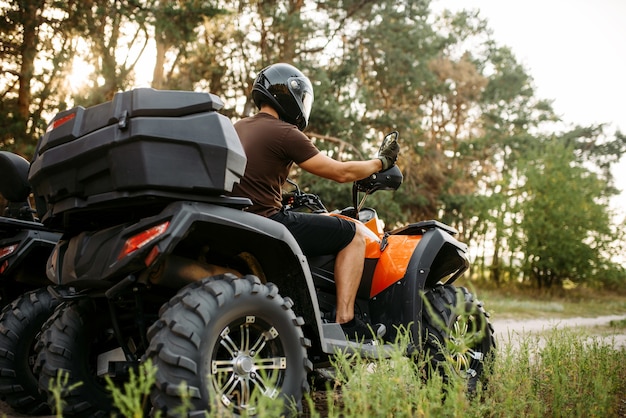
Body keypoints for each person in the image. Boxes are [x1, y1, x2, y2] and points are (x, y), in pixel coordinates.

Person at [231, 63, 399, 341]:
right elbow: (340, 172)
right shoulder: (284, 132)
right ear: (291, 95)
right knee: (354, 234)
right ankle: (346, 322)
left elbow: (252, 180)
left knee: (329, 222)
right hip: (269, 222)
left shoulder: (238, 127)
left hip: (242, 221)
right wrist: (380, 161)